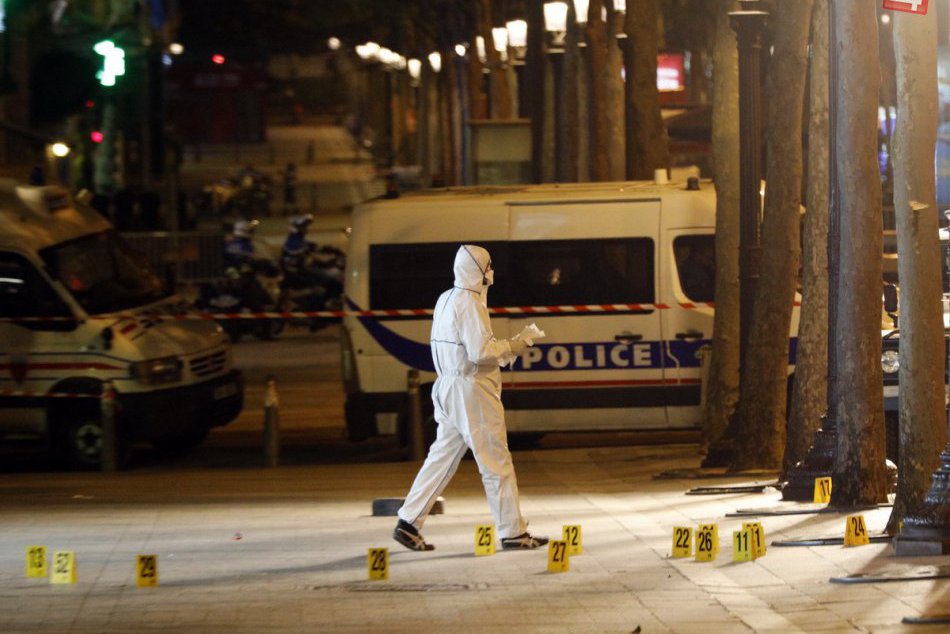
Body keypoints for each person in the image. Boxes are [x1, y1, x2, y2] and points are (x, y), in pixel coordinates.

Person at [393, 245, 549, 551]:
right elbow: (480, 353)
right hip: (472, 390)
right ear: (479, 270)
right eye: (488, 266)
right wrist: (515, 345)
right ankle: (513, 533)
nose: (491, 273)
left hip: (448, 387)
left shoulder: (445, 298)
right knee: (496, 461)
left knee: (442, 457)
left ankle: (408, 522)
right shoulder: (471, 303)